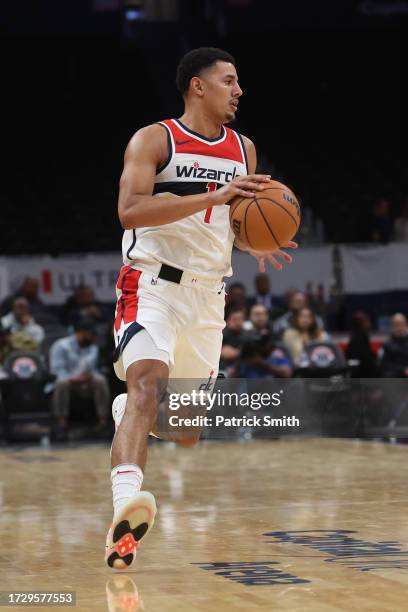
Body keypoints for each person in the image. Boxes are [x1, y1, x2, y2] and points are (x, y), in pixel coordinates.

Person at [106, 47, 297, 570]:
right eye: (230, 81)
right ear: (198, 86)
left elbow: (231, 221)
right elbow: (130, 211)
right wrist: (216, 197)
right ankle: (126, 509)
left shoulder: (244, 149)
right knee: (146, 380)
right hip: (151, 285)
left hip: (209, 294)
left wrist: (254, 241)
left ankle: (130, 415)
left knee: (185, 430)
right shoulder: (155, 138)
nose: (239, 91)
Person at [49, 319, 110, 436]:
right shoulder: (61, 345)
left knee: (100, 380)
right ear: (81, 333)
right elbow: (56, 370)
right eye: (92, 334)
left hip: (87, 382)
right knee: (61, 383)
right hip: (69, 381)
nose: (94, 338)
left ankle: (103, 422)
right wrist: (74, 378)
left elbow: (95, 369)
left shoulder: (93, 348)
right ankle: (61, 423)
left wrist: (89, 376)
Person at [345, 312, 379, 377]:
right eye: (366, 322)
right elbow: (366, 363)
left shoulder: (363, 338)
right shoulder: (357, 341)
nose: (369, 324)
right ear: (359, 325)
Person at [379, 313, 408, 378]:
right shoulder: (387, 345)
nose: (400, 327)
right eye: (397, 325)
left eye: (402, 324)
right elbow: (385, 366)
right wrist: (403, 370)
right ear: (392, 326)